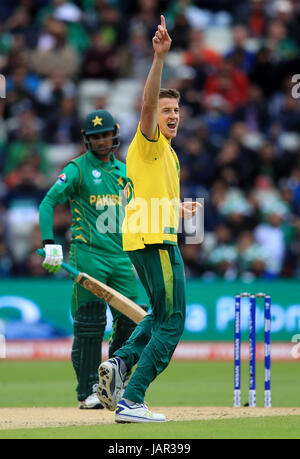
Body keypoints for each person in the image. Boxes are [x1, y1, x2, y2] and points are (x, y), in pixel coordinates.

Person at [97, 15, 200, 423]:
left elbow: (147, 196)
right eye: (166, 109)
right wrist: (160, 57)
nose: (172, 115)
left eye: (176, 109)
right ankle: (132, 399)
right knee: (173, 322)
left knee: (159, 313)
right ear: (153, 116)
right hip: (155, 241)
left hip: (145, 235)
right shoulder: (149, 140)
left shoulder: (167, 155)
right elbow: (146, 103)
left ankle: (121, 364)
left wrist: (179, 209)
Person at [39, 109, 140, 409]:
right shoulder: (77, 169)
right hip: (88, 255)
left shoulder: (124, 172)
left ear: (114, 135)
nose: (101, 141)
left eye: (105, 134)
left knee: (132, 320)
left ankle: (114, 382)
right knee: (90, 324)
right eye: (95, 137)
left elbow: (136, 215)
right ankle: (88, 391)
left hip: (122, 258)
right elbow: (48, 203)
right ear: (87, 140)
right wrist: (49, 243)